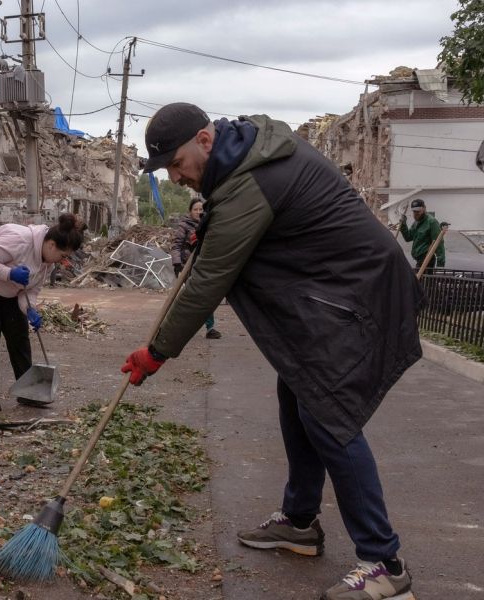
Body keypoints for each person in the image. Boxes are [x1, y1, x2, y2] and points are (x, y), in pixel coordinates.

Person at [121, 103, 422, 600]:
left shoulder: (250, 181)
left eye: (176, 164)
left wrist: (157, 351)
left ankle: (384, 563)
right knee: (297, 394)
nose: (175, 177)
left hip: (357, 294)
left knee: (330, 415)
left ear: (204, 140)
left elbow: (209, 280)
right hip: (335, 293)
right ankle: (300, 521)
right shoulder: (244, 161)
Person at [0, 213, 85, 411]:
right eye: (63, 255)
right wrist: (9, 273)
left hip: (5, 287)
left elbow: (30, 291)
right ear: (51, 245)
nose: (62, 260)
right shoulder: (19, 239)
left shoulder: (47, 263)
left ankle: (27, 391)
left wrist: (30, 310)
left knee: (19, 333)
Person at [171, 198, 220, 339]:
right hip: (189, 267)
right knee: (191, 298)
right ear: (190, 211)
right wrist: (176, 263)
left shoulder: (209, 225)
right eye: (195, 209)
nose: (199, 212)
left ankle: (210, 328)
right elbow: (176, 245)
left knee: (206, 297)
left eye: (201, 209)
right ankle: (176, 327)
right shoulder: (184, 226)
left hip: (206, 266)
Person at [396, 198, 445, 271]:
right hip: (419, 261)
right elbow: (408, 237)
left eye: (418, 211)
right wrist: (403, 225)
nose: (416, 213)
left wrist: (440, 263)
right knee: (418, 281)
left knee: (424, 282)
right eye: (414, 211)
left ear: (424, 208)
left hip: (427, 260)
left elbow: (439, 242)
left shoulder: (431, 222)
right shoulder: (416, 223)